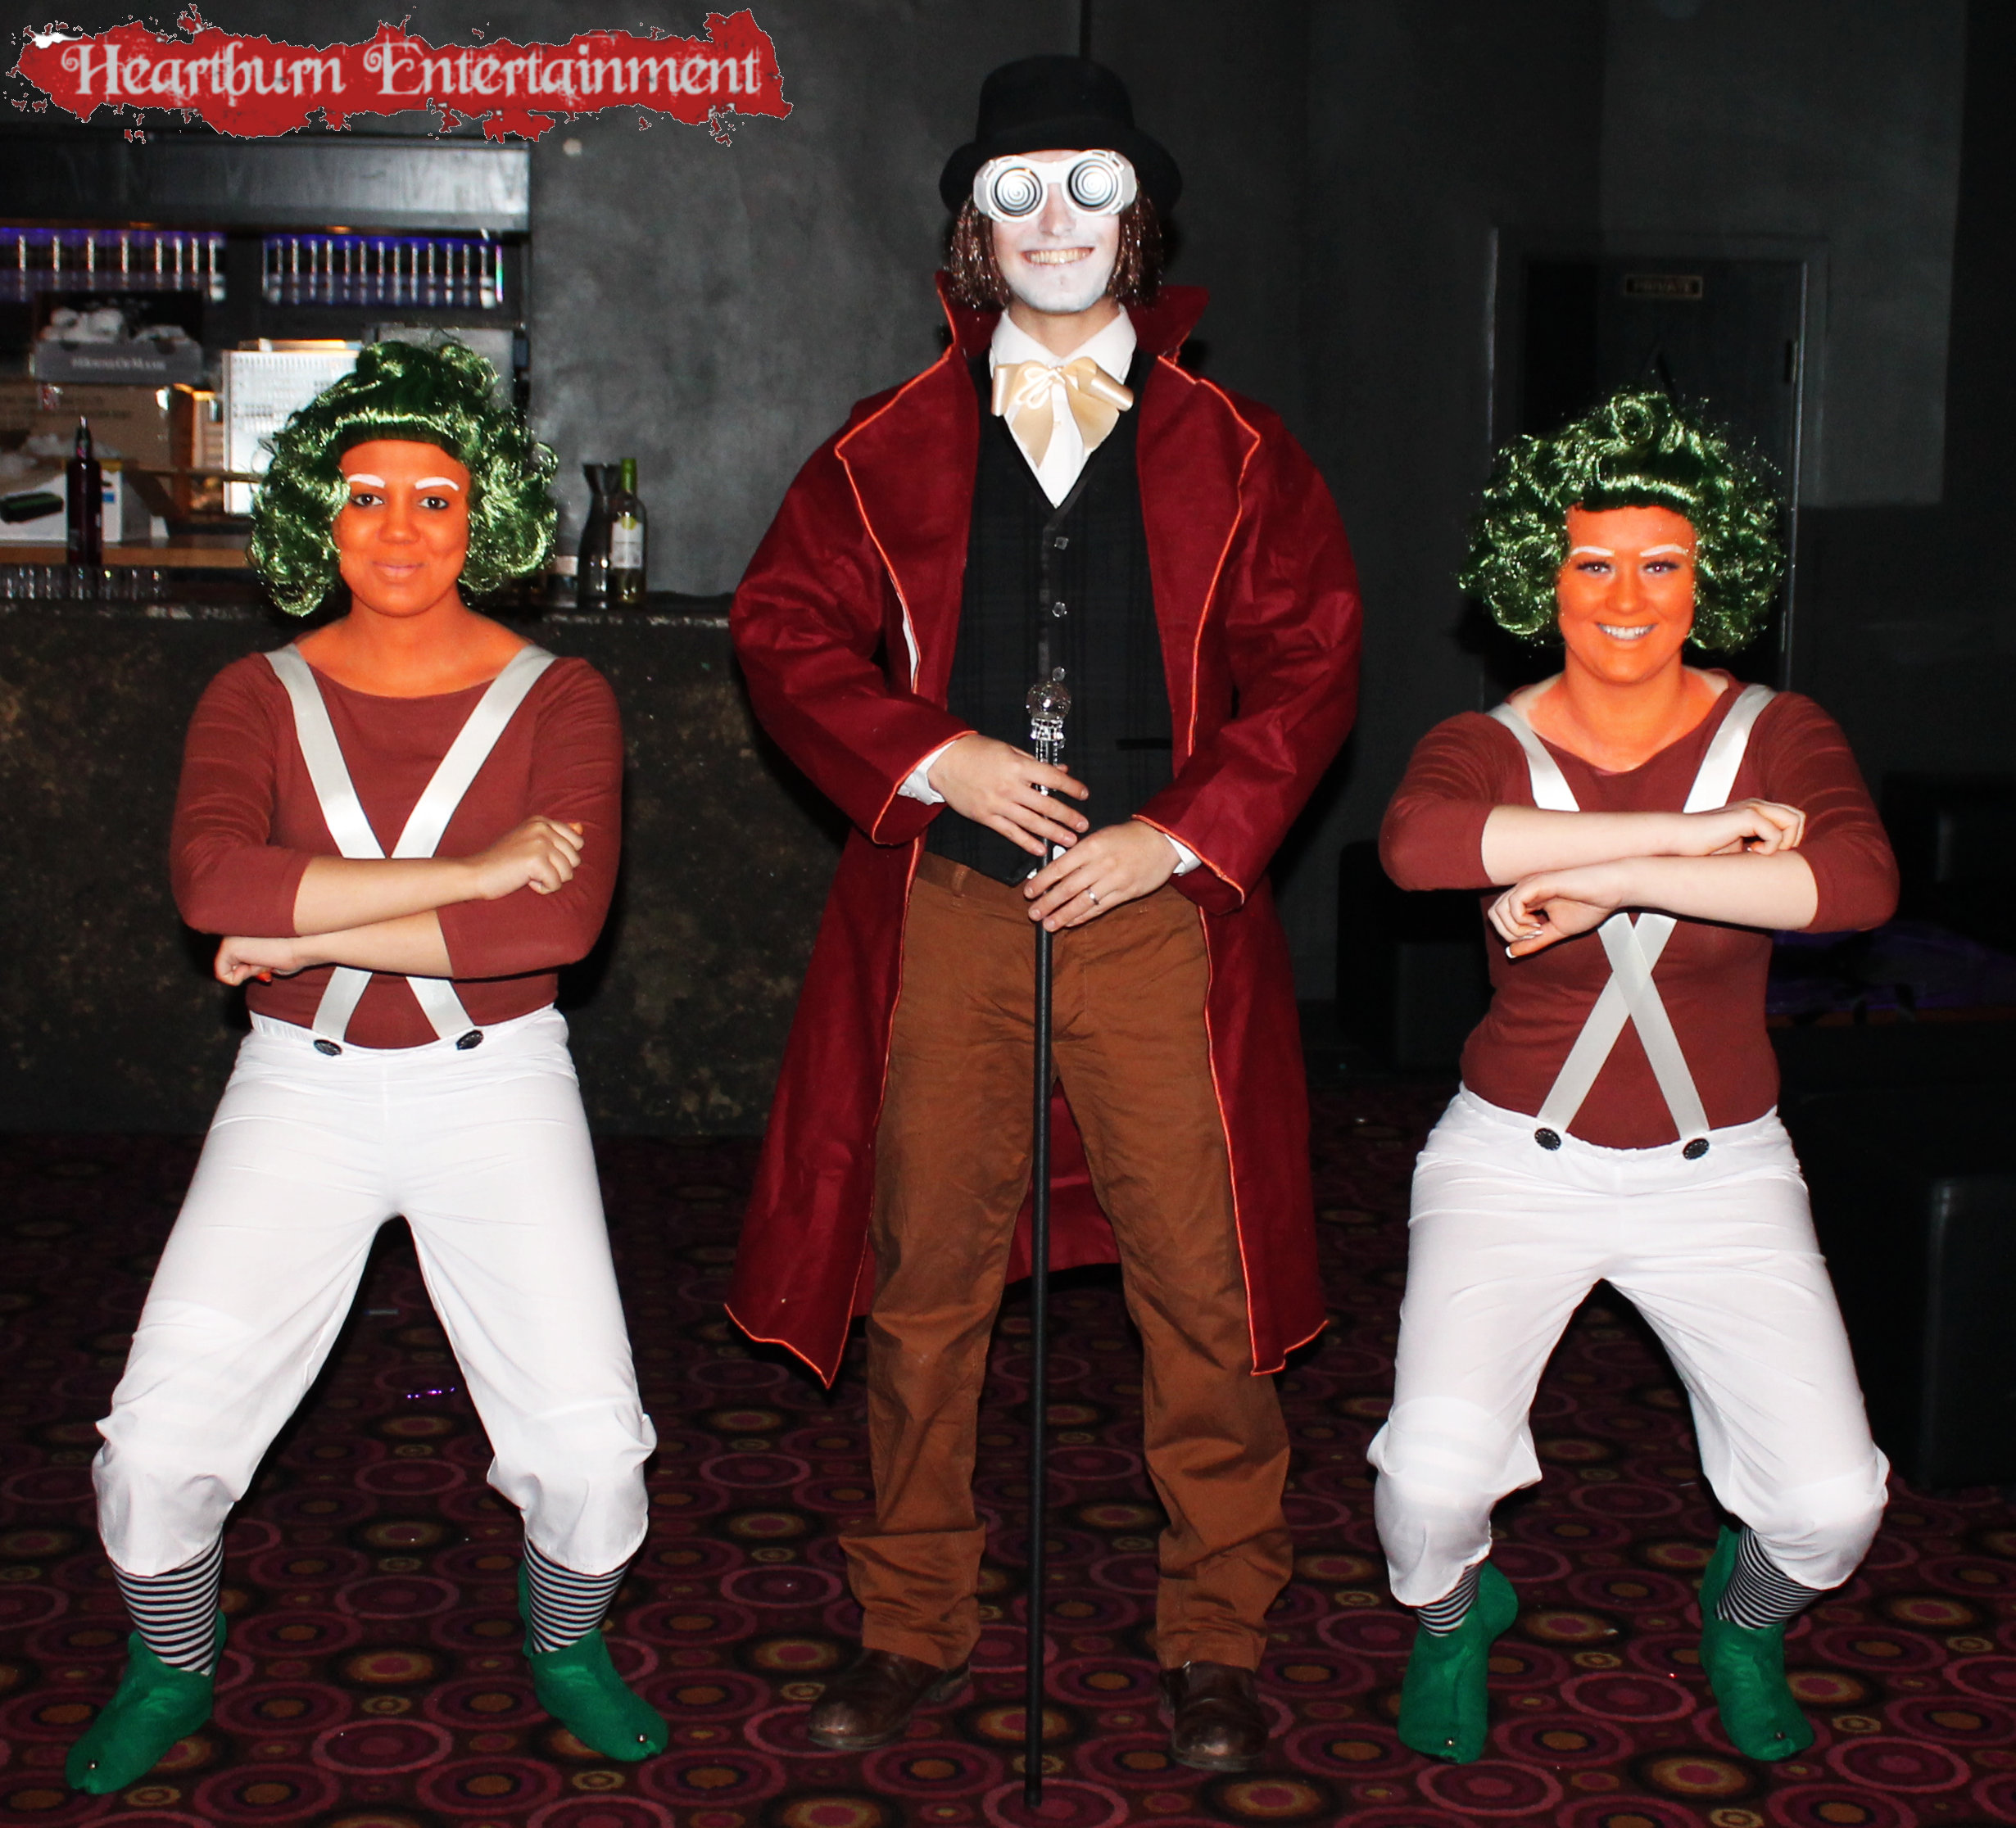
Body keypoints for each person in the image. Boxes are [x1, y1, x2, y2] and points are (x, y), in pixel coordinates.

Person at [727, 55, 1359, 1772]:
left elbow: (1310, 667)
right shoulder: (877, 448)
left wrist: (1184, 835)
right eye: (1017, 191)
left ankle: (1214, 1631)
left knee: (1201, 1289)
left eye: (1090, 187)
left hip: (1159, 921)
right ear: (972, 228)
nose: (1055, 219)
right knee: (926, 1283)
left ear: (1138, 221)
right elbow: (782, 630)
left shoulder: (1241, 449)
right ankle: (910, 1621)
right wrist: (930, 754)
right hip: (950, 912)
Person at [66, 342, 664, 1793]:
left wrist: (296, 929)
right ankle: (171, 1659)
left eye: (436, 498)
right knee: (158, 1445)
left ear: (485, 516)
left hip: (497, 1080)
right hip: (302, 1086)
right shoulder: (253, 691)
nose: (399, 528)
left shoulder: (564, 696)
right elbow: (213, 885)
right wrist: (470, 871)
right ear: (315, 515)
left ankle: (566, 1639)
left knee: (590, 1456)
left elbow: (558, 928)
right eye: (364, 494)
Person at [1372, 389, 1895, 1765]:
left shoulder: (1777, 730)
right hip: (1509, 1163)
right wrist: (1703, 839)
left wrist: (1603, 879)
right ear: (1536, 579)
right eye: (1589, 561)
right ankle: (1454, 1622)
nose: (1624, 597)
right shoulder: (1486, 743)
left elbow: (1852, 882)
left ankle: (1743, 1617)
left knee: (1831, 1506)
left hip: (1720, 1170)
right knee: (1424, 1493)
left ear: (1706, 575)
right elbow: (1419, 849)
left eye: (1661, 562)